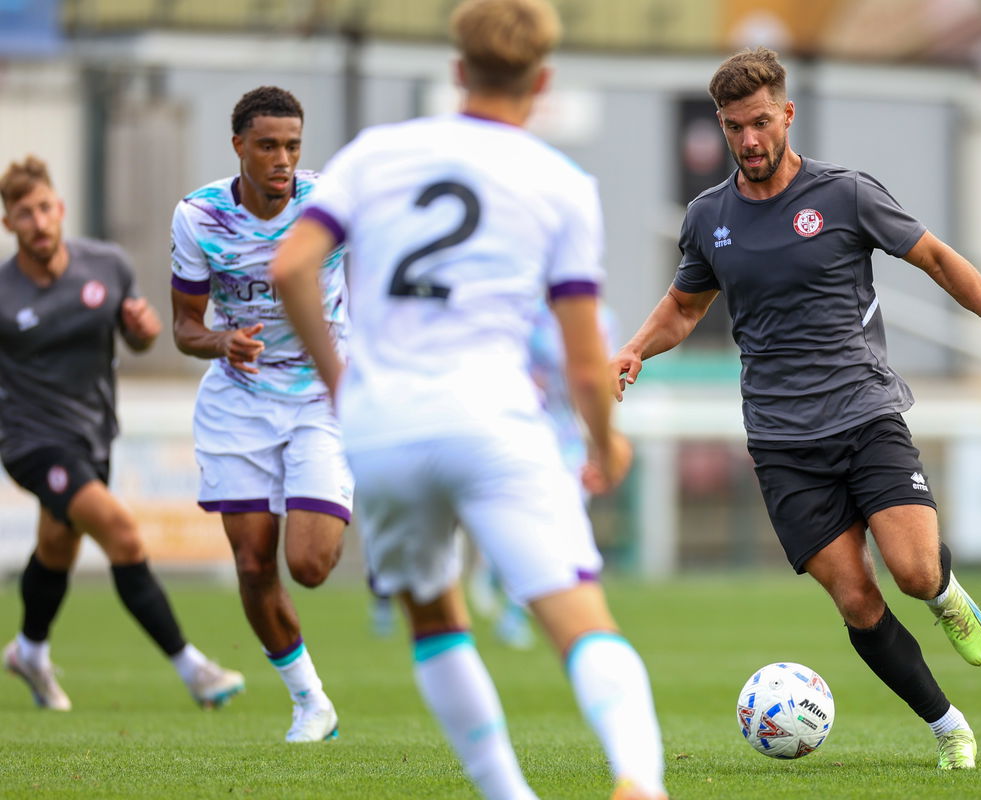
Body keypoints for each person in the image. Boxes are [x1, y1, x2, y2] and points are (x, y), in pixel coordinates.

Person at [272, 1, 667, 798]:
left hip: (383, 425)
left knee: (433, 619)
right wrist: (605, 444)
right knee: (580, 620)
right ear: (542, 82)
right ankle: (638, 779)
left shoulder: (376, 153)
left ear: (458, 71)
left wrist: (343, 384)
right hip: (490, 417)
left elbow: (289, 268)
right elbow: (583, 358)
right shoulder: (561, 184)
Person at [611, 47, 981, 771]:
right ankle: (949, 729)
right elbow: (684, 308)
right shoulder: (708, 217)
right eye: (732, 127)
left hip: (865, 414)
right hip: (782, 443)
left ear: (786, 114)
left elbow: (937, 259)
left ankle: (943, 593)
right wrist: (634, 349)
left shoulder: (845, 195)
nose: (748, 139)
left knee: (912, 572)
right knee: (857, 600)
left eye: (759, 122)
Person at [0, 155, 244, 712]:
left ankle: (30, 651)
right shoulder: (4, 293)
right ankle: (194, 669)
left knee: (57, 546)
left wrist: (142, 332)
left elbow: (135, 339)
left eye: (44, 208)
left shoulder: (107, 266)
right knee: (123, 535)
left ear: (60, 208)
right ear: (8, 223)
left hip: (93, 434)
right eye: (24, 214)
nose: (38, 222)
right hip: (31, 442)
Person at [169, 86, 351, 743]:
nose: (283, 160)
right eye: (268, 146)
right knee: (252, 564)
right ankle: (311, 703)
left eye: (293, 146)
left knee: (310, 564)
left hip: (319, 398)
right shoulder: (199, 216)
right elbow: (185, 327)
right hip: (239, 402)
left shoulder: (329, 204)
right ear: (239, 145)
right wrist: (222, 341)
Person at [465, 299, 618, 650]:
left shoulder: (603, 319)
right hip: (527, 431)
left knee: (564, 522)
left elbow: (600, 376)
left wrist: (602, 438)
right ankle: (509, 600)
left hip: (569, 436)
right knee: (529, 522)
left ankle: (512, 599)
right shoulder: (530, 315)